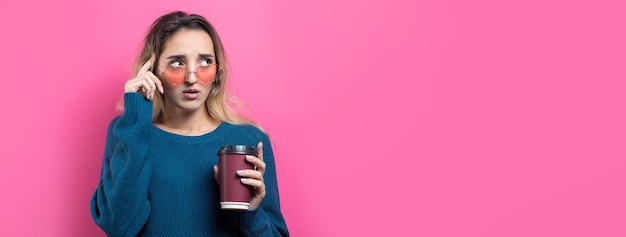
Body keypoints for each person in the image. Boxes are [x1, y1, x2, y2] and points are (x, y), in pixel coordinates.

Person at [90, 11, 289, 236]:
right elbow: (117, 226)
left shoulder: (247, 141)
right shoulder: (128, 131)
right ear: (154, 70)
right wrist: (136, 115)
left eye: (205, 61)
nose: (192, 78)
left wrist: (249, 214)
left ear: (218, 72)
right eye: (177, 63)